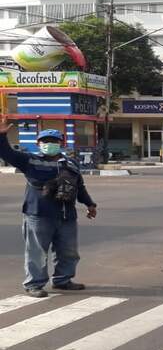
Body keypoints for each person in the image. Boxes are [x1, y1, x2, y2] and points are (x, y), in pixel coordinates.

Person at [0, 123, 96, 298]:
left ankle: (63, 280)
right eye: (45, 141)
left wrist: (90, 204)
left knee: (69, 251)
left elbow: (79, 187)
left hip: (66, 215)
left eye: (53, 141)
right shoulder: (29, 160)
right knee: (37, 252)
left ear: (61, 143)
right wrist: (1, 136)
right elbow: (6, 153)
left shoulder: (71, 164)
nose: (49, 144)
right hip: (38, 215)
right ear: (38, 144)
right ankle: (34, 284)